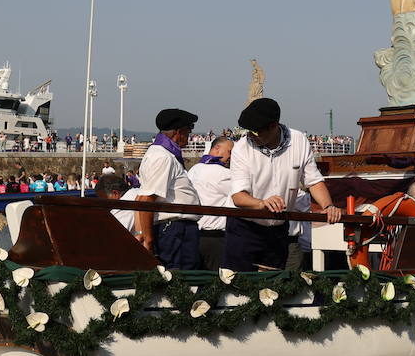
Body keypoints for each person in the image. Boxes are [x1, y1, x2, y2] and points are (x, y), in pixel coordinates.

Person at [227, 98, 341, 271]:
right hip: (244, 229)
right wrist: (261, 203)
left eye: (255, 132)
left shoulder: (299, 141)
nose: (250, 136)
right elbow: (238, 196)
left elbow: (314, 180)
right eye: (248, 131)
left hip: (279, 229)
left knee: (274, 290)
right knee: (237, 287)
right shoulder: (241, 148)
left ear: (274, 126)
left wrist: (328, 205)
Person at [135, 108, 202, 269]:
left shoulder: (161, 154)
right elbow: (146, 199)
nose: (190, 134)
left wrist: (142, 234)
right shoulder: (163, 157)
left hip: (176, 227)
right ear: (178, 132)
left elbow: (142, 198)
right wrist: (148, 239)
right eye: (189, 129)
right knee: (181, 277)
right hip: (175, 228)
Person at [188, 136, 234, 270]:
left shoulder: (194, 170)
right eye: (230, 152)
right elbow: (243, 194)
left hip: (194, 233)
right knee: (217, 281)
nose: (232, 157)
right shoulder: (224, 174)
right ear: (217, 148)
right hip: (215, 237)